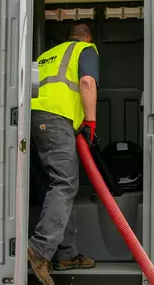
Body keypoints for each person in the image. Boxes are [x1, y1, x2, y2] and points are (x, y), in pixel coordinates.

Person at [28, 22, 99, 285]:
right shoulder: (86, 48)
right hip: (57, 120)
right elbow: (87, 81)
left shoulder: (49, 54)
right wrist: (90, 122)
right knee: (66, 184)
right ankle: (40, 248)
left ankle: (66, 253)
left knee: (57, 186)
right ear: (88, 37)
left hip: (35, 120)